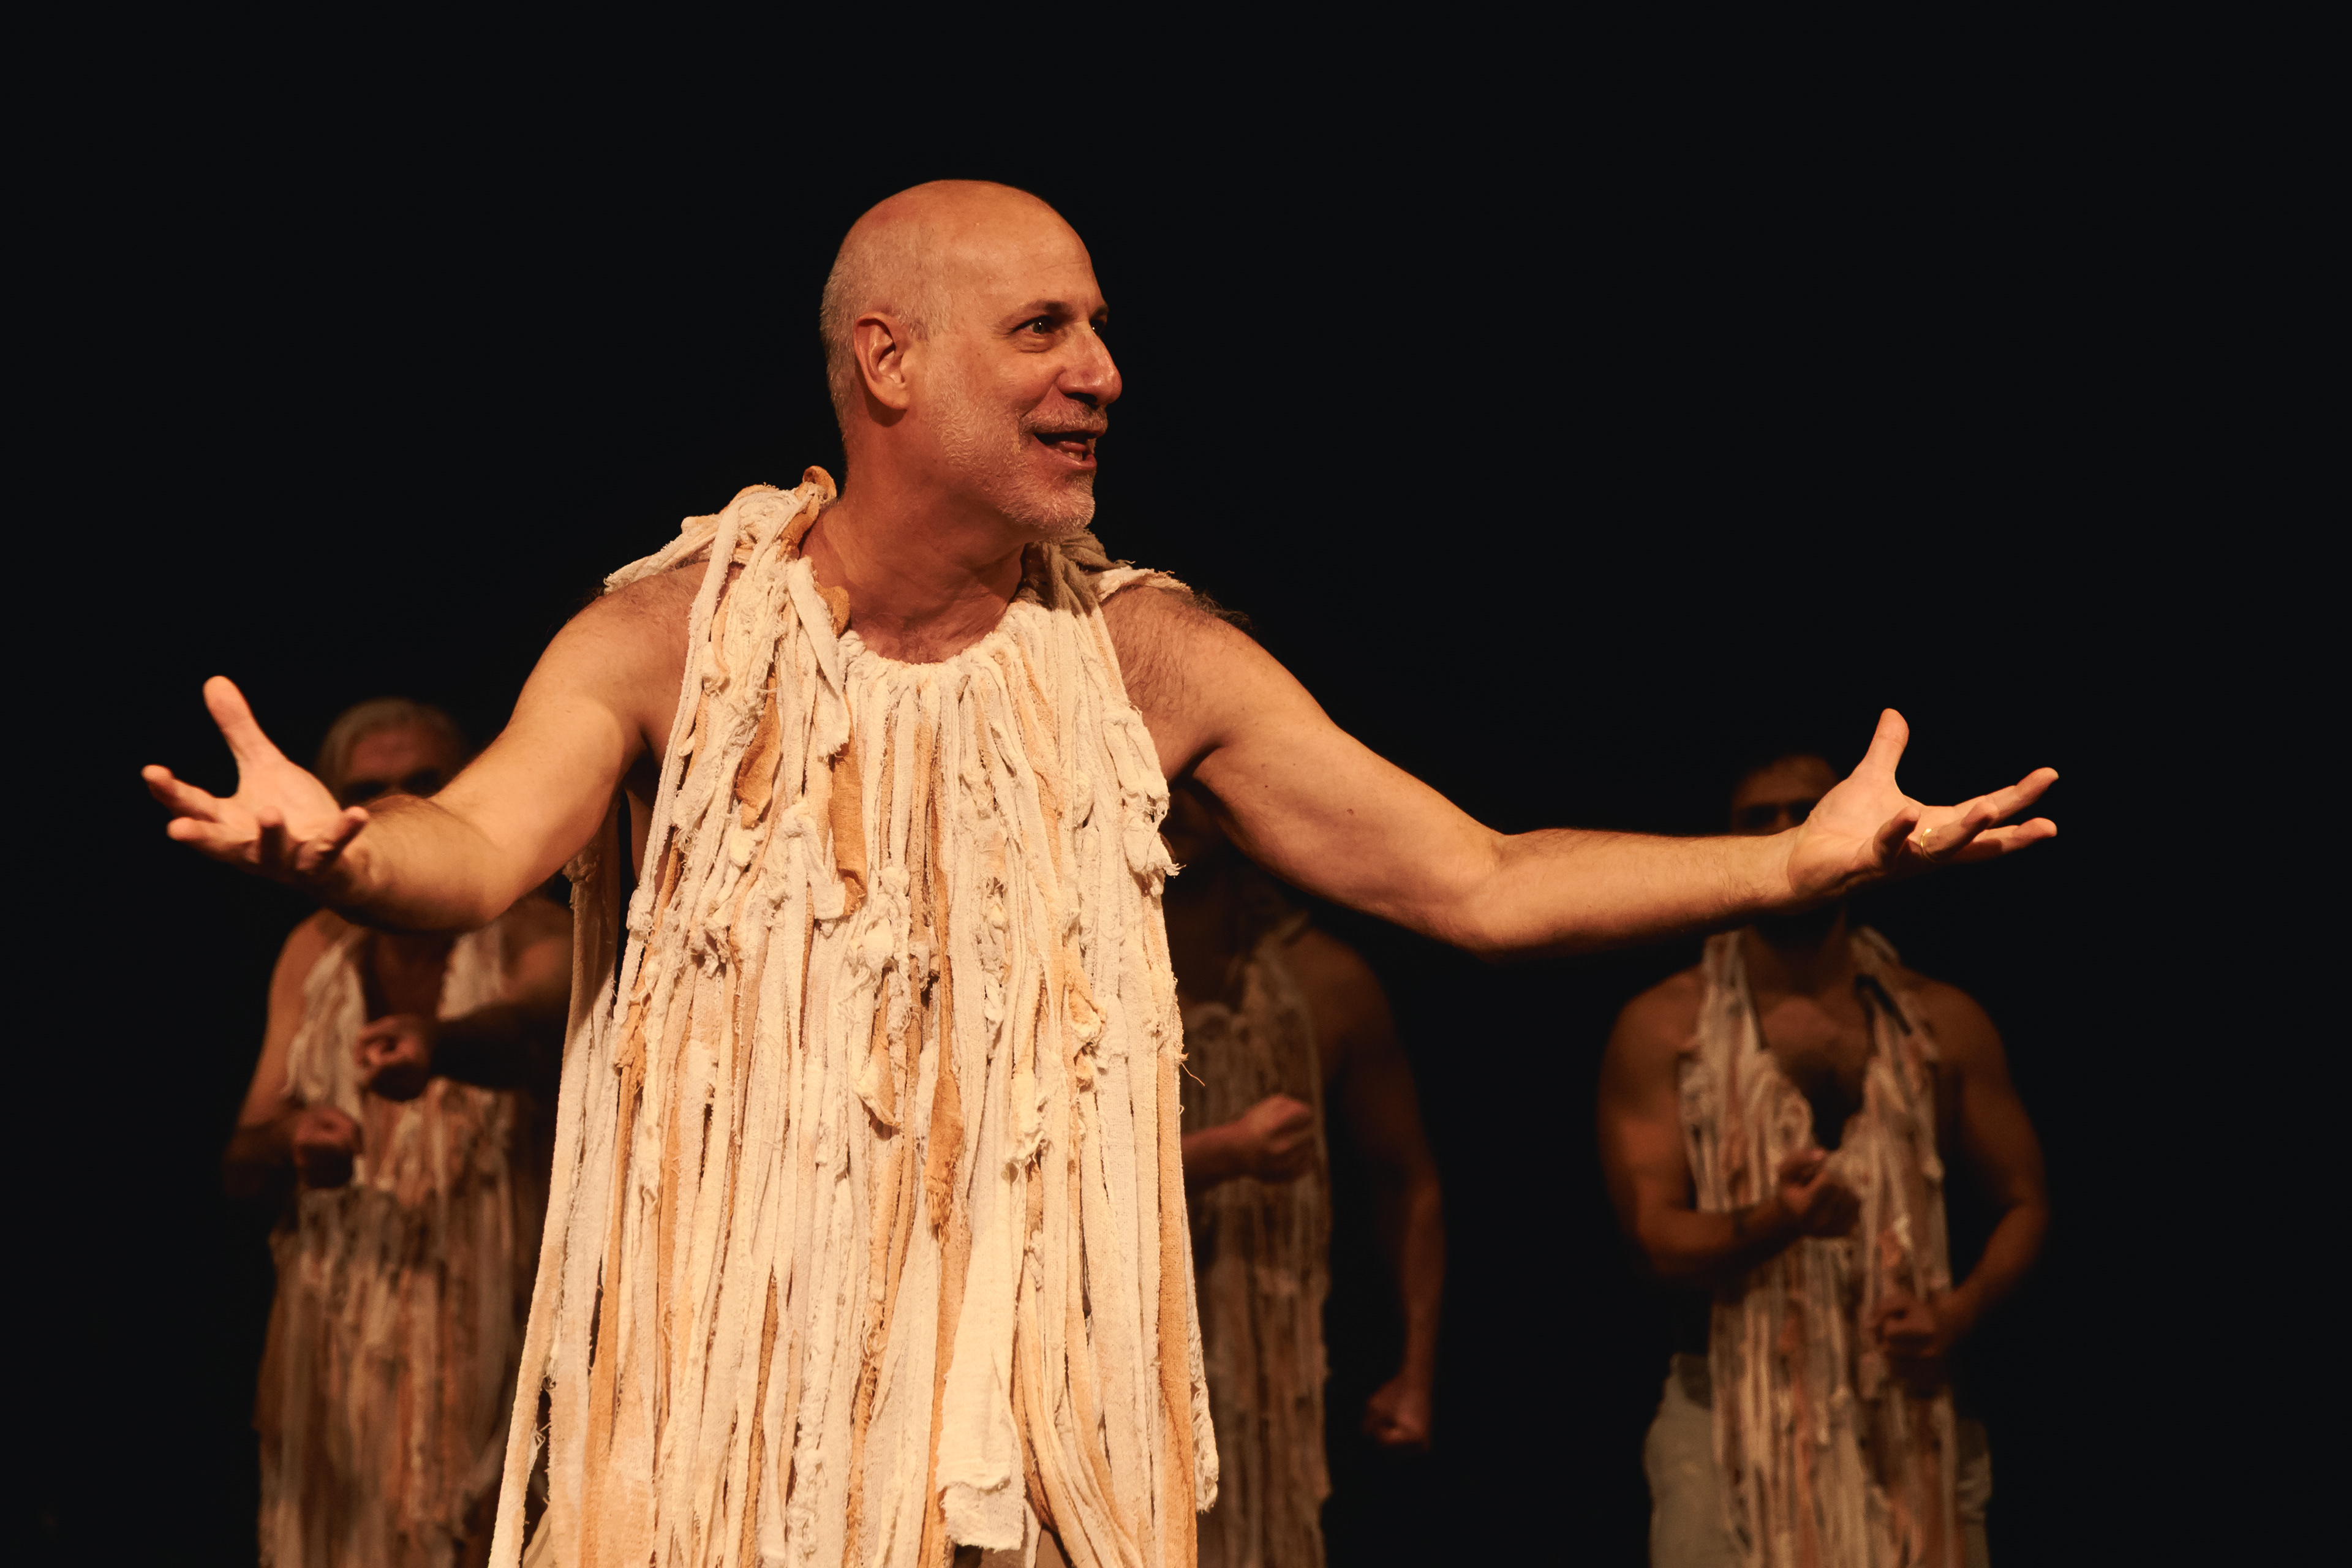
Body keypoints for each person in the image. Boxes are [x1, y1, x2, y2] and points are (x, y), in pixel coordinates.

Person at [146, 181, 2057, 1568]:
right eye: (1045, 329)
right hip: (728, 1441)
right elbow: (480, 844)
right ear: (887, 359)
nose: (1105, 373)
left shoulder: (1148, 658)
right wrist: (342, 848)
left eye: (1101, 327)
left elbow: (1476, 879)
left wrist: (1787, 860)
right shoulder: (673, 636)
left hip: (1028, 1435)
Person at [1597, 753, 2051, 1568]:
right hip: (1725, 1420)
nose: (1785, 831)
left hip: (1908, 1421)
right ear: (1727, 839)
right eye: (1759, 819)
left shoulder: (1939, 1022)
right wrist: (1779, 1220)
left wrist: (1956, 1315)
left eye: (1804, 811)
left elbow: (2027, 1200)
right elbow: (1652, 1241)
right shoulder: (1665, 1028)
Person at [224, 699, 573, 1568]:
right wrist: (293, 1140)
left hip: (499, 1346)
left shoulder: (536, 930)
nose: (399, 802)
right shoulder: (314, 952)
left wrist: (440, 1044)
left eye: (426, 781)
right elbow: (242, 1163)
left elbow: (537, 1029)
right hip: (338, 1358)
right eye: (369, 789)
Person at [1161, 782, 1444, 1568]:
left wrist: (1415, 1373)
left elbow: (1408, 1181)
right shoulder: (1070, 969)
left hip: (1278, 1368)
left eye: (1195, 782)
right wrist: (1225, 1154)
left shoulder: (1325, 981)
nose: (1172, 799)